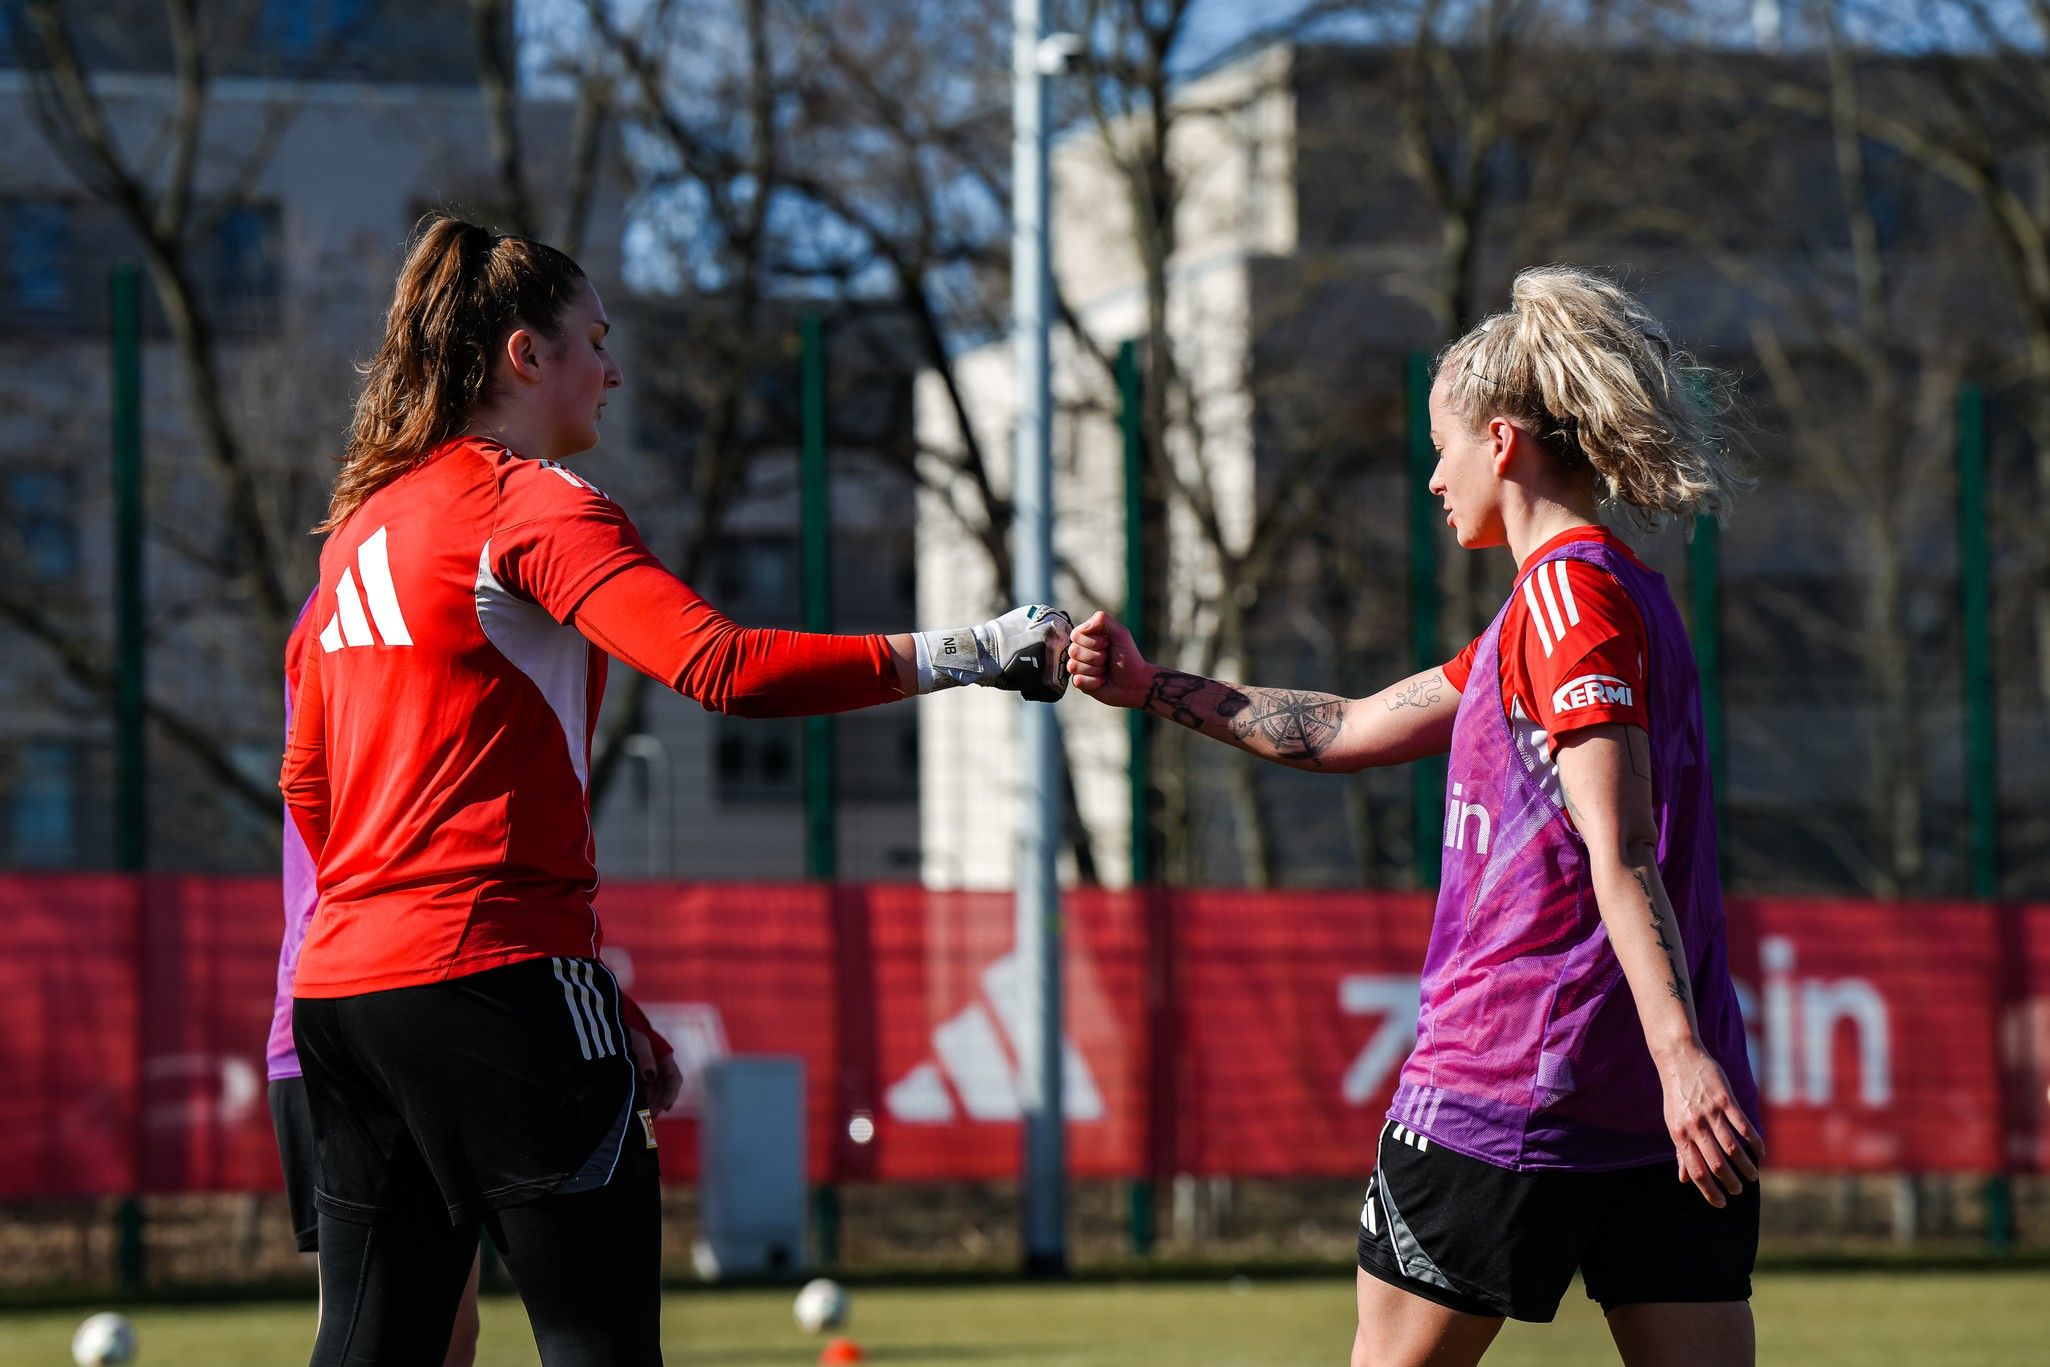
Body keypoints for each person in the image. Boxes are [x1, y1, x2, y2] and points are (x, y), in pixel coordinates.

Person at [279, 214, 1069, 1367]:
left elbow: (310, 787)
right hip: (492, 975)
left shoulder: (356, 535)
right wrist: (975, 649)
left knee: (370, 1351)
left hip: (342, 997)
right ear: (523, 357)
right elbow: (725, 665)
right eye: (594, 338)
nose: (613, 365)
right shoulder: (530, 504)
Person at [1066, 265, 1762, 1367]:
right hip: (1649, 1107)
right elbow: (1341, 727)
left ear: (1499, 441)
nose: (1431, 478)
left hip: (1514, 1085)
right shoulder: (1590, 602)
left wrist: (1679, 1054)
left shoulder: (1564, 601)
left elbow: (1620, 845)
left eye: (1439, 446)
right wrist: (1150, 686)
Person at [269, 599, 684, 1367]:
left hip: (334, 1002)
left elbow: (316, 789)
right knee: (520, 1327)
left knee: (415, 1335)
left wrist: (613, 1001)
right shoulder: (402, 593)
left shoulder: (353, 593)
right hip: (416, 986)